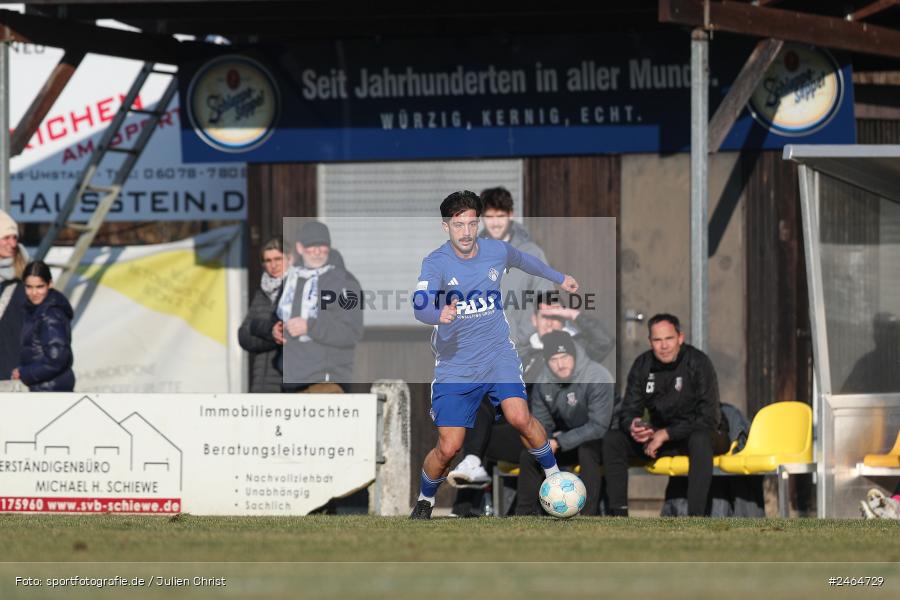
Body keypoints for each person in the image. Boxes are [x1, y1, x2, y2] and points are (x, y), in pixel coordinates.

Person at [410, 190, 579, 519]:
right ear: (446, 227)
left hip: (498, 354)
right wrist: (437, 314)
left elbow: (525, 260)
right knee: (449, 447)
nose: (466, 232)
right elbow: (419, 305)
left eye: (472, 224)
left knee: (519, 417)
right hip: (455, 363)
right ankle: (425, 499)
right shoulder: (436, 262)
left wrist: (560, 279)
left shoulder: (495, 250)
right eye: (458, 225)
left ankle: (556, 479)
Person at [603, 313, 729, 517]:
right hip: (660, 437)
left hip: (700, 433)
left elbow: (708, 418)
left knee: (700, 439)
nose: (664, 346)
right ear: (650, 341)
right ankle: (619, 514)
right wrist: (635, 426)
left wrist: (666, 434)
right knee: (613, 440)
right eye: (657, 340)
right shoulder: (643, 364)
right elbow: (629, 410)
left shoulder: (698, 362)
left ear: (680, 338)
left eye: (669, 339)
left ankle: (696, 517)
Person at [515, 330, 614, 515]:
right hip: (564, 440)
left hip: (600, 440)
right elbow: (541, 423)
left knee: (588, 451)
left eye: (565, 357)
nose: (560, 365)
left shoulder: (598, 376)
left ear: (574, 355)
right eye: (554, 359)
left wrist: (559, 442)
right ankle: (524, 513)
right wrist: (547, 442)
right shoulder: (543, 382)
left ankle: (588, 515)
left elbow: (599, 426)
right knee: (531, 454)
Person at [276, 221, 363, 392]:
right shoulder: (289, 281)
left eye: (322, 246)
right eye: (311, 246)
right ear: (300, 248)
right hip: (292, 382)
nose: (317, 252)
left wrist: (310, 326)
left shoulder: (345, 282)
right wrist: (274, 330)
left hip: (326, 382)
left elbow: (351, 332)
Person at [479, 186, 554, 350]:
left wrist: (519, 337)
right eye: (490, 217)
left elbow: (545, 301)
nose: (496, 223)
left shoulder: (532, 254)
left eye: (501, 216)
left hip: (521, 350)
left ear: (511, 215)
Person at [11, 261, 75, 392]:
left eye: (40, 286)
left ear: (50, 284)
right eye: (29, 287)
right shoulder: (35, 310)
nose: (34, 293)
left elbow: (57, 359)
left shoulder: (50, 314)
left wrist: (24, 373)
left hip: (50, 390)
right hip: (43, 387)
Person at [238, 236, 289, 392]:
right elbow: (243, 336)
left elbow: (290, 335)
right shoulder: (262, 292)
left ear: (289, 258)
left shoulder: (297, 288)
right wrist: (271, 335)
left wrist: (259, 330)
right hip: (261, 382)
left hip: (286, 383)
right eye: (268, 261)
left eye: (278, 259)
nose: (273, 265)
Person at [0, 209, 28, 382]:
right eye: (6, 237)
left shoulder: (28, 280)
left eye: (14, 237)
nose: (12, 243)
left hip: (15, 374)